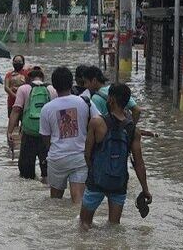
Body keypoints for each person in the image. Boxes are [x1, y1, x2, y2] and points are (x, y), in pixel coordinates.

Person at [80, 83, 151, 230]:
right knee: (114, 227)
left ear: (111, 99)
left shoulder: (97, 123)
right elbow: (139, 163)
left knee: (84, 224)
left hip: (97, 180)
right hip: (119, 182)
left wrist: (94, 172)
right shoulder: (133, 130)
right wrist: (145, 189)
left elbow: (87, 154)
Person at [40, 67, 101, 202]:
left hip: (57, 158)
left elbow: (45, 137)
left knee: (55, 200)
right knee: (78, 200)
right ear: (71, 82)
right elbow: (98, 122)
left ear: (54, 86)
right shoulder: (85, 102)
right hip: (80, 157)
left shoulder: (47, 108)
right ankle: (79, 222)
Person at [7, 67, 57, 180]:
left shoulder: (24, 89)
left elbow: (16, 110)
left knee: (26, 174)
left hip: (29, 134)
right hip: (47, 135)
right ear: (43, 78)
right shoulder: (52, 89)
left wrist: (9, 132)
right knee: (47, 173)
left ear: (28, 79)